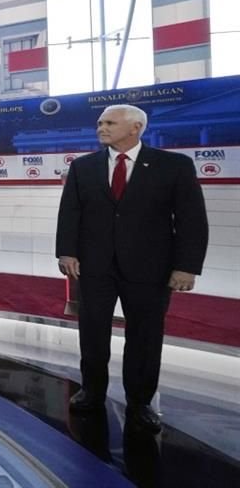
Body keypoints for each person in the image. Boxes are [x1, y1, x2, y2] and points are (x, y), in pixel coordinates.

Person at [56, 104, 208, 433]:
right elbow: (70, 213)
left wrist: (186, 267)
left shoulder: (174, 166)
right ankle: (91, 391)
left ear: (135, 127)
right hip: (94, 267)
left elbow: (191, 220)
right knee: (93, 332)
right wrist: (66, 252)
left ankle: (140, 402)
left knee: (145, 336)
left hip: (151, 269)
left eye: (110, 122)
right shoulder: (84, 167)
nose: (101, 127)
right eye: (99, 122)